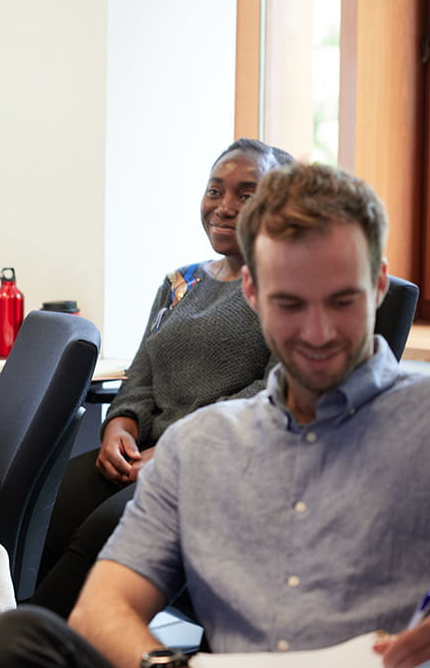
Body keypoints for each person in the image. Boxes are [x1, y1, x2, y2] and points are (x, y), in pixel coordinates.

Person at [0, 162, 430, 668]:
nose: (317, 332)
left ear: (379, 283)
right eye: (290, 304)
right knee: (13, 639)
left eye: (341, 302)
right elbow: (105, 609)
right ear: (252, 292)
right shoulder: (204, 445)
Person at [30, 139, 292, 617]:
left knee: (103, 534)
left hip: (210, 463)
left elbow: (271, 395)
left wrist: (170, 450)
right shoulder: (182, 282)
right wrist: (118, 430)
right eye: (216, 190)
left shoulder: (292, 289)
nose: (225, 206)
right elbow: (141, 374)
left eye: (246, 194)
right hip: (136, 456)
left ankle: (31, 648)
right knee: (36, 511)